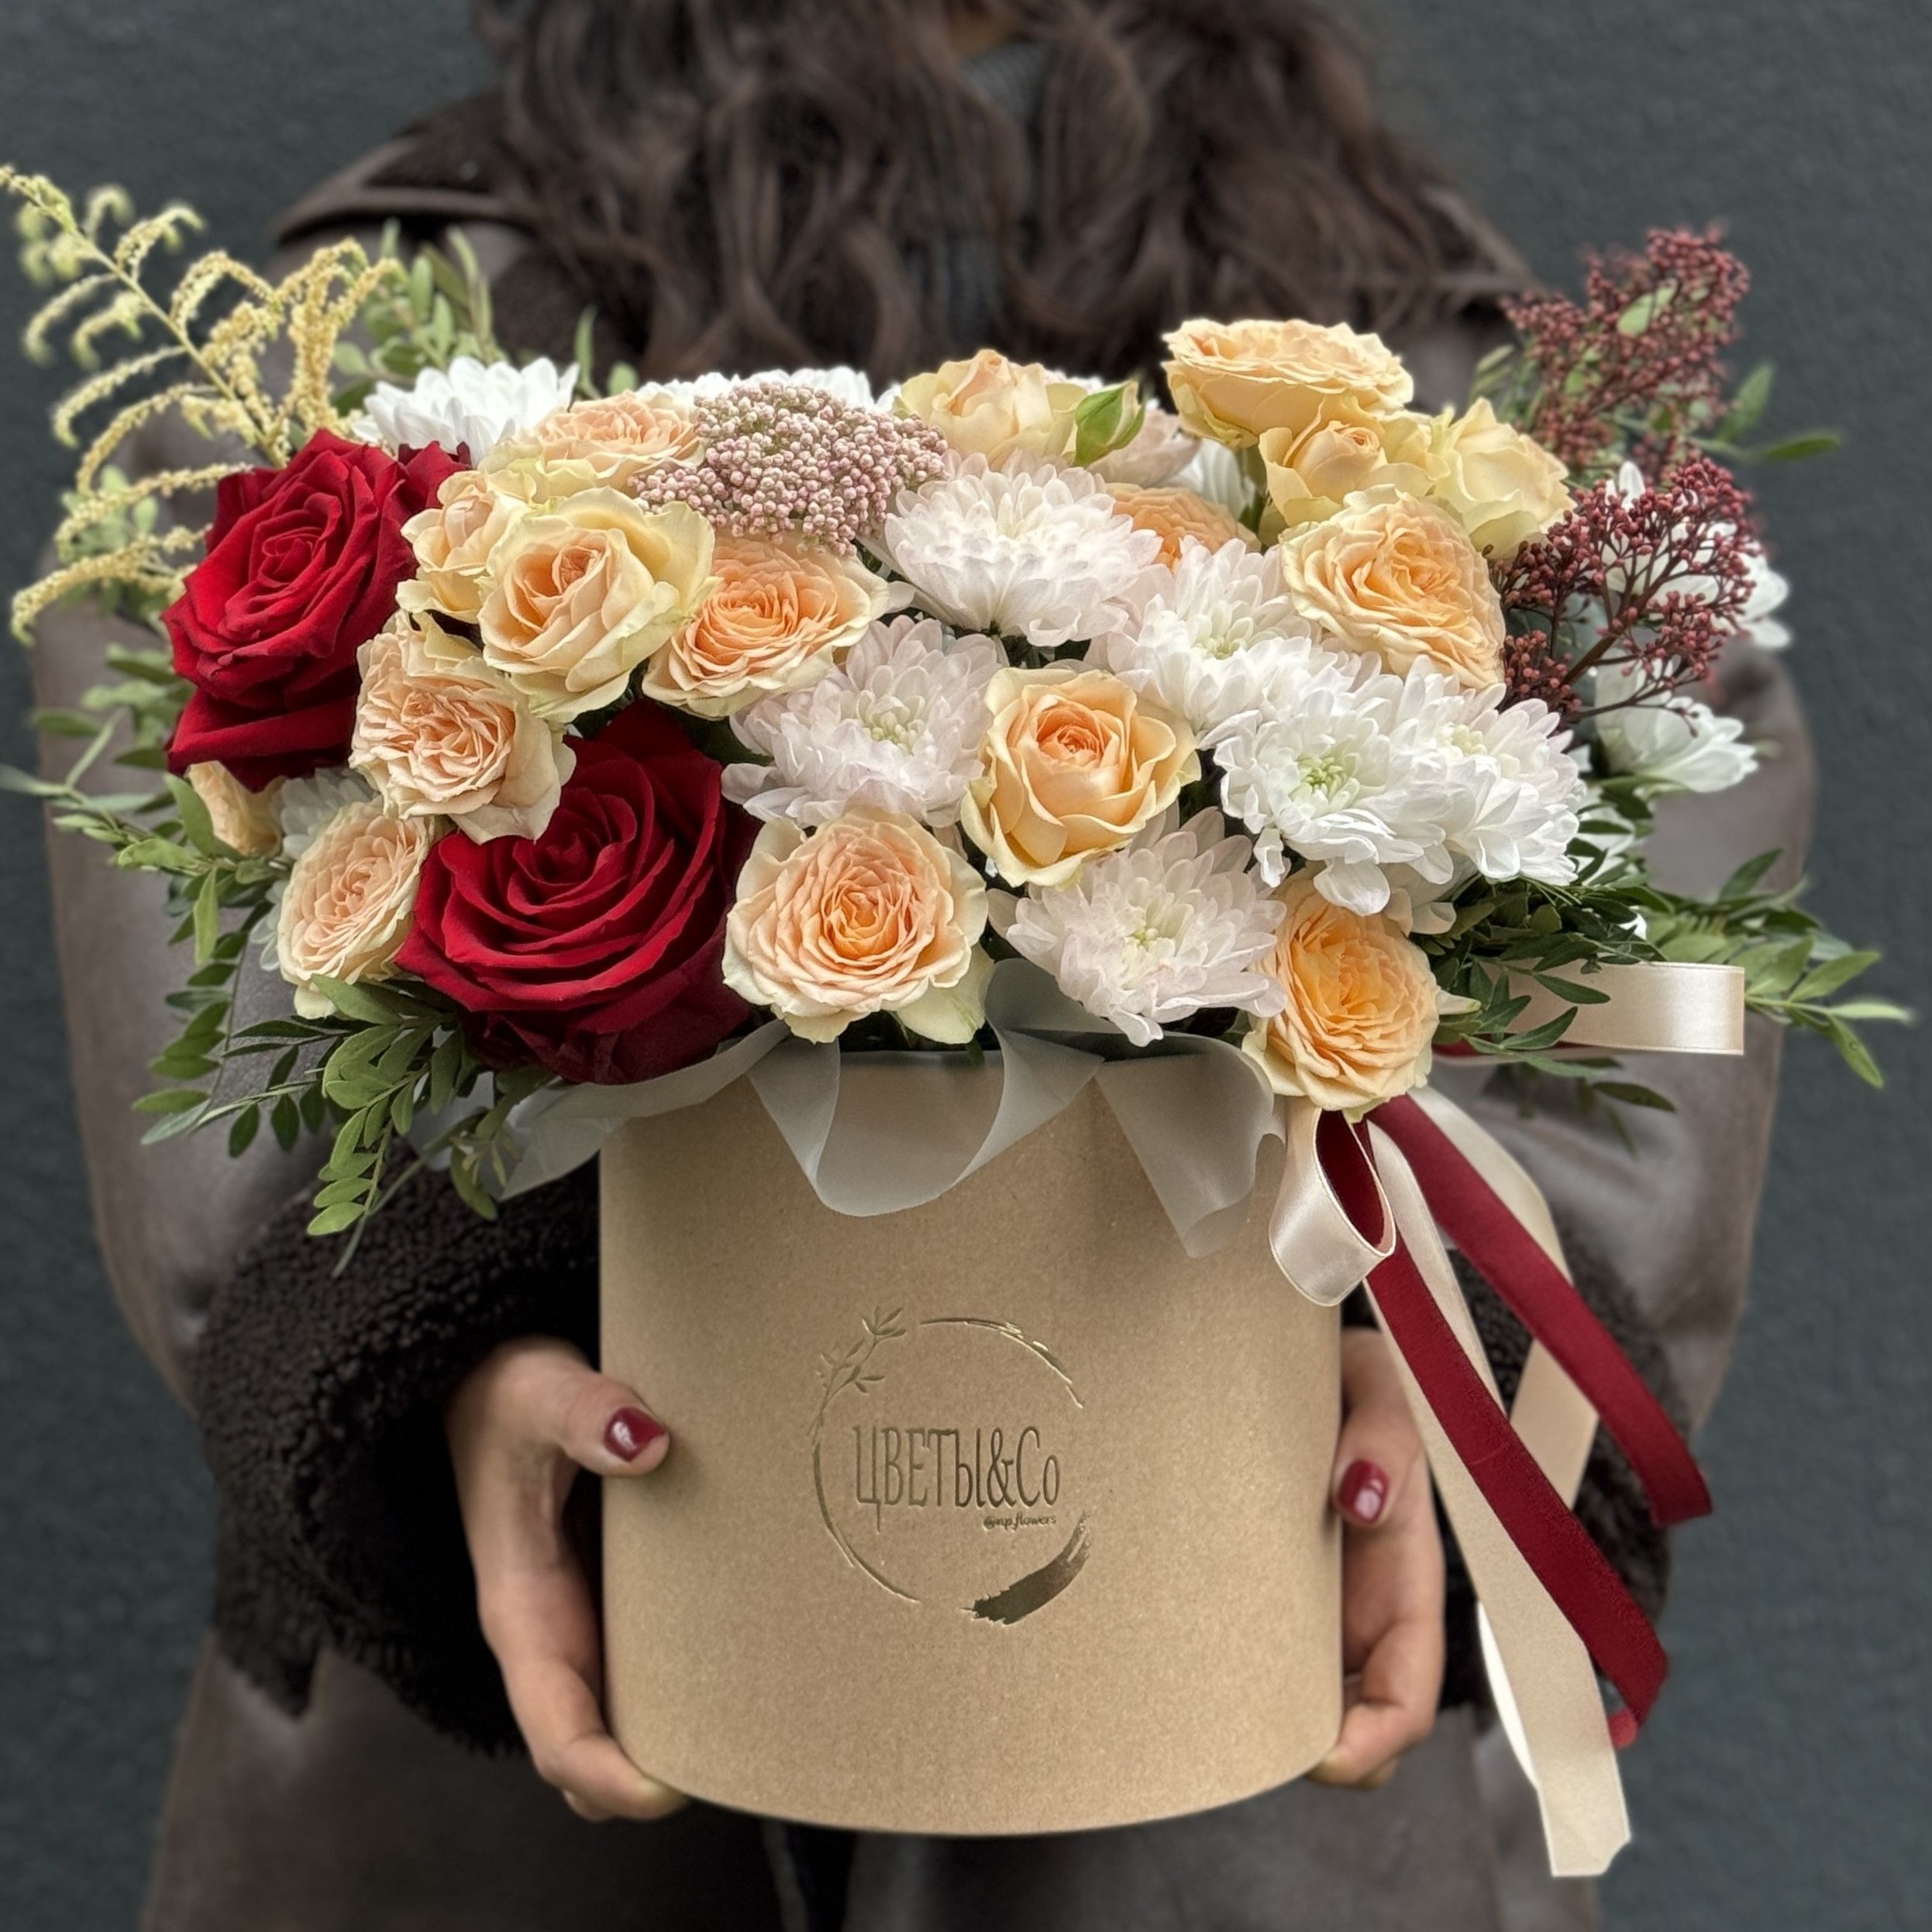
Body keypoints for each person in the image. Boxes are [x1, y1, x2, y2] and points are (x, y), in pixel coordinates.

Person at [29, 3, 1813, 1928]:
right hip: (505, 1801)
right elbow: (236, 1049)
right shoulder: (362, 351)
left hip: (1239, 1765)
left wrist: (1447, 1358)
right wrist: (421, 1365)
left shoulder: (1465, 400)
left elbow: (1624, 1026)